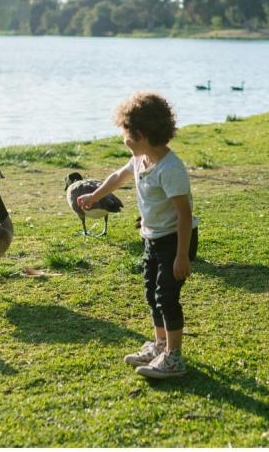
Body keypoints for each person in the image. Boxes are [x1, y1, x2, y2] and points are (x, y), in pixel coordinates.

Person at [78, 91, 198, 379]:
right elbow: (118, 177)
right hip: (153, 237)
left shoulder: (170, 169)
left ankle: (174, 358)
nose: (123, 139)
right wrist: (95, 195)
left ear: (142, 134)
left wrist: (182, 256)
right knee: (152, 293)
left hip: (175, 239)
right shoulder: (140, 159)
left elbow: (184, 214)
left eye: (126, 134)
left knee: (167, 297)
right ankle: (159, 346)